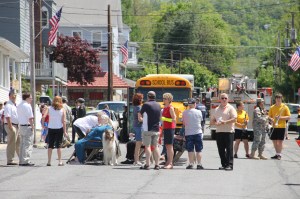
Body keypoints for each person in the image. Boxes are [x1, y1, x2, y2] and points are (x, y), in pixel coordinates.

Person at [210, 93, 237, 171]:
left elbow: (235, 119)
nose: (224, 100)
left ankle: (230, 165)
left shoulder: (231, 108)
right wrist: (216, 123)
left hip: (229, 131)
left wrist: (225, 122)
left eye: (225, 98)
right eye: (222, 98)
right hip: (219, 131)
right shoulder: (216, 109)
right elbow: (212, 121)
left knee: (229, 149)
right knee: (221, 149)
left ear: (228, 99)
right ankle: (224, 164)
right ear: (220, 99)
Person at [42, 96, 68, 166]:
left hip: (51, 128)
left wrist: (43, 125)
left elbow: (44, 116)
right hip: (59, 128)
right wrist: (65, 131)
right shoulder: (62, 109)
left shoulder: (49, 108)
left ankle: (49, 161)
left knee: (50, 145)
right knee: (59, 145)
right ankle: (60, 161)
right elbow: (64, 121)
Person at [138, 91, 161, 170]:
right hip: (156, 129)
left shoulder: (146, 104)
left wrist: (141, 119)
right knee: (156, 147)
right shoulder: (158, 105)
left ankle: (147, 164)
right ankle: (157, 164)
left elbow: (140, 115)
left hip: (147, 129)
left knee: (147, 146)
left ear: (148, 97)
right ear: (155, 96)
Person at [182, 98, 204, 169]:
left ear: (188, 105)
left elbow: (184, 123)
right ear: (195, 104)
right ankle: (199, 164)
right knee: (199, 149)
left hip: (188, 133)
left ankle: (191, 163)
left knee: (190, 149)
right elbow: (201, 121)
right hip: (198, 132)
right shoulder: (199, 112)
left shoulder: (185, 112)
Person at [268, 93, 290, 160]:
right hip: (274, 126)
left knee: (279, 141)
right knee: (274, 141)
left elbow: (288, 117)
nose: (278, 100)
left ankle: (279, 154)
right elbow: (269, 116)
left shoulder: (285, 107)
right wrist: (271, 119)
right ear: (275, 99)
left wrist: (280, 118)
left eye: (279, 98)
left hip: (281, 126)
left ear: (281, 99)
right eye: (277, 98)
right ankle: (277, 153)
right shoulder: (272, 107)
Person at [17, 93, 34, 166]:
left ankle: (21, 160)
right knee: (27, 144)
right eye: (30, 98)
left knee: (22, 144)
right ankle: (26, 160)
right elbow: (30, 117)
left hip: (21, 125)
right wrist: (32, 126)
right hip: (27, 126)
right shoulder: (27, 105)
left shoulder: (19, 105)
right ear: (27, 98)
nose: (31, 99)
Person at [4, 89, 20, 165]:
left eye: (16, 95)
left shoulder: (14, 105)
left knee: (18, 143)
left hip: (16, 125)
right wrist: (10, 126)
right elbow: (7, 116)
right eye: (13, 94)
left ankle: (22, 158)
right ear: (9, 95)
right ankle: (10, 160)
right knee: (11, 143)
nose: (15, 96)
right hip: (11, 125)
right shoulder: (8, 105)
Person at [161, 93, 176, 169]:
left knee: (170, 146)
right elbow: (163, 120)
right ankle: (168, 162)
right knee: (167, 146)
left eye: (165, 98)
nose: (164, 99)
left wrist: (165, 119)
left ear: (169, 100)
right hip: (166, 128)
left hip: (170, 128)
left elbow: (174, 119)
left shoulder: (170, 108)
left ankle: (170, 163)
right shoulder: (165, 107)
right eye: (163, 98)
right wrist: (162, 130)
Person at [132, 93, 144, 166]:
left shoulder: (135, 107)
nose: (142, 100)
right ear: (140, 100)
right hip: (139, 126)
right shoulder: (139, 108)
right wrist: (146, 119)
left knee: (139, 143)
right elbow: (140, 119)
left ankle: (136, 159)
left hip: (136, 125)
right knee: (138, 144)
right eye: (142, 98)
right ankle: (136, 160)